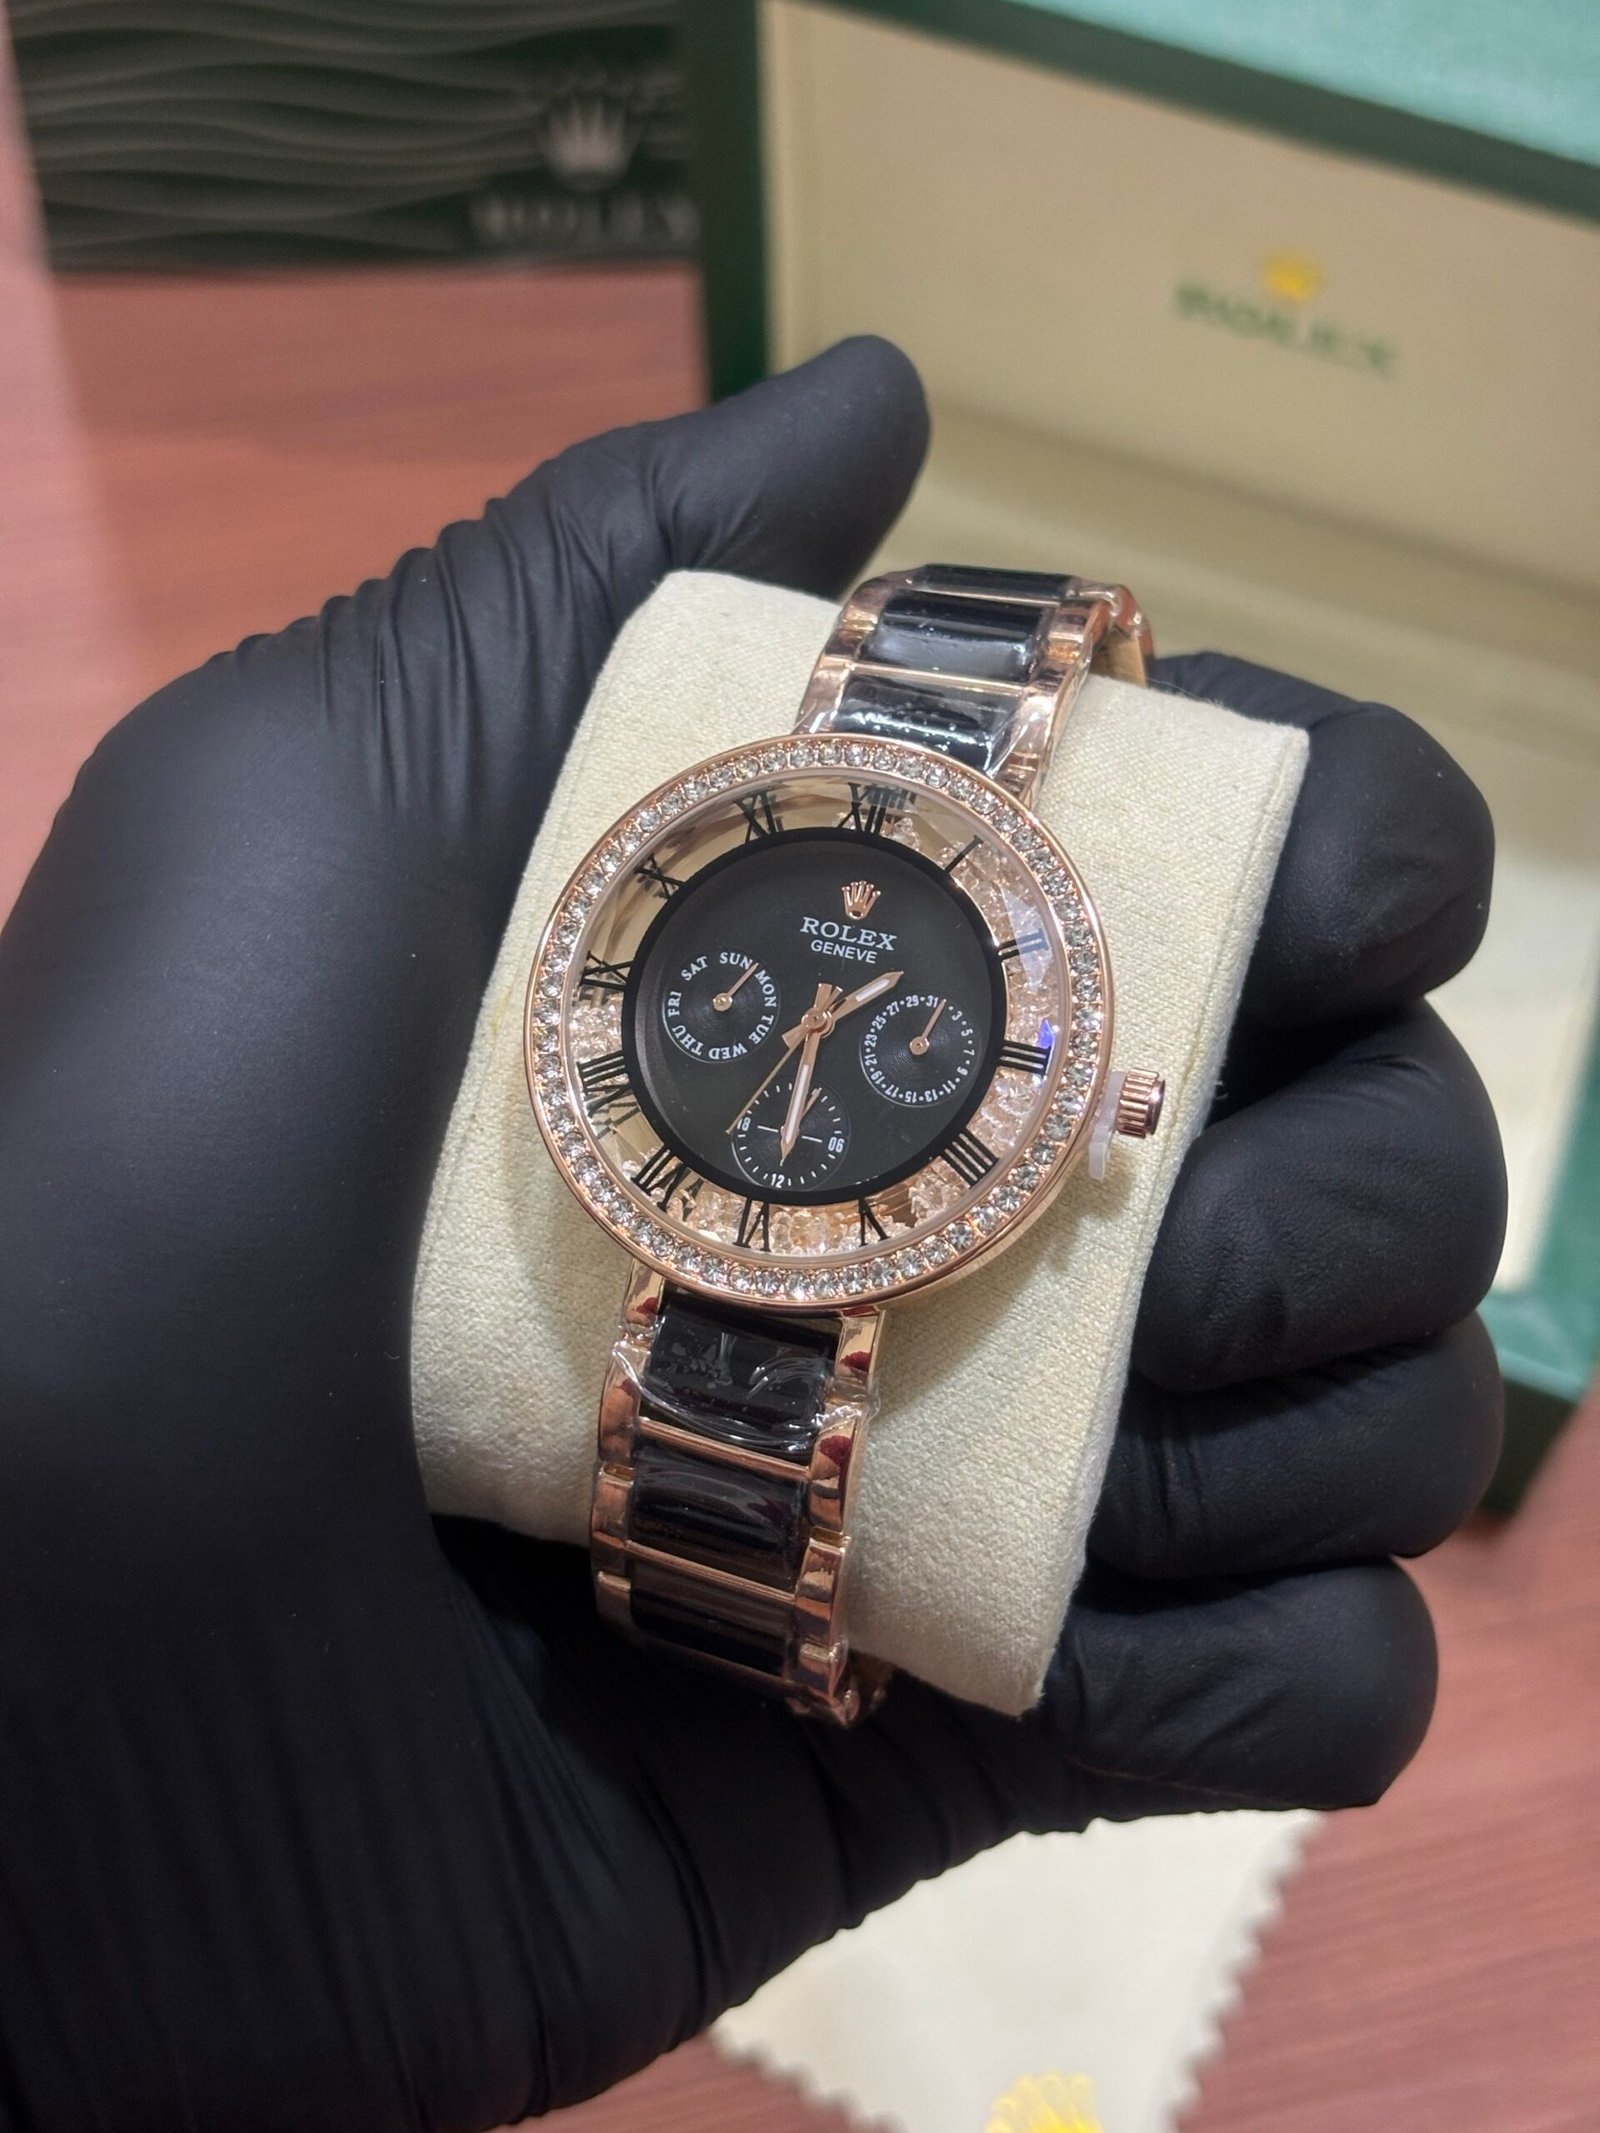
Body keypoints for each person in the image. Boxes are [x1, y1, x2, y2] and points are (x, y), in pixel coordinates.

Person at [0, 339, 1504, 2130]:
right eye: (795, 1002)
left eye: (870, 1023)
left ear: (1106, 1091)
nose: (818, 1014)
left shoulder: (1022, 1058)